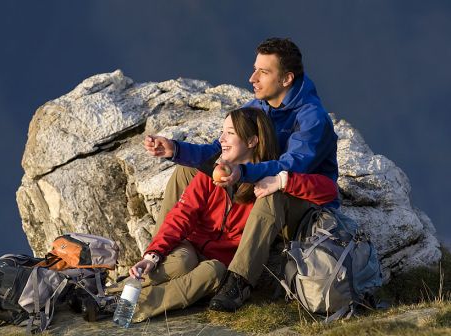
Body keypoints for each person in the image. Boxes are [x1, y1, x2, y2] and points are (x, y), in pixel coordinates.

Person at [143, 37, 339, 312]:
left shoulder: (311, 118)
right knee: (185, 171)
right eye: (254, 68)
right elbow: (219, 149)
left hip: (303, 201)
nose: (252, 78)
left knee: (274, 192)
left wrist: (242, 172)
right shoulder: (259, 107)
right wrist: (175, 149)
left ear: (286, 79)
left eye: (263, 72)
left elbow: (294, 167)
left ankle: (239, 281)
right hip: (260, 178)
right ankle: (163, 253)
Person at [110, 107, 337, 322]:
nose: (221, 139)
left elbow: (328, 191)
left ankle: (131, 306)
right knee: (180, 261)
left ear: (252, 141)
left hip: (220, 265)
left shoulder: (268, 179)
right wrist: (152, 255)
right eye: (222, 132)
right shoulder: (213, 172)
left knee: (214, 271)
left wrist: (282, 181)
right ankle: (112, 294)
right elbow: (182, 215)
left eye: (229, 133)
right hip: (191, 249)